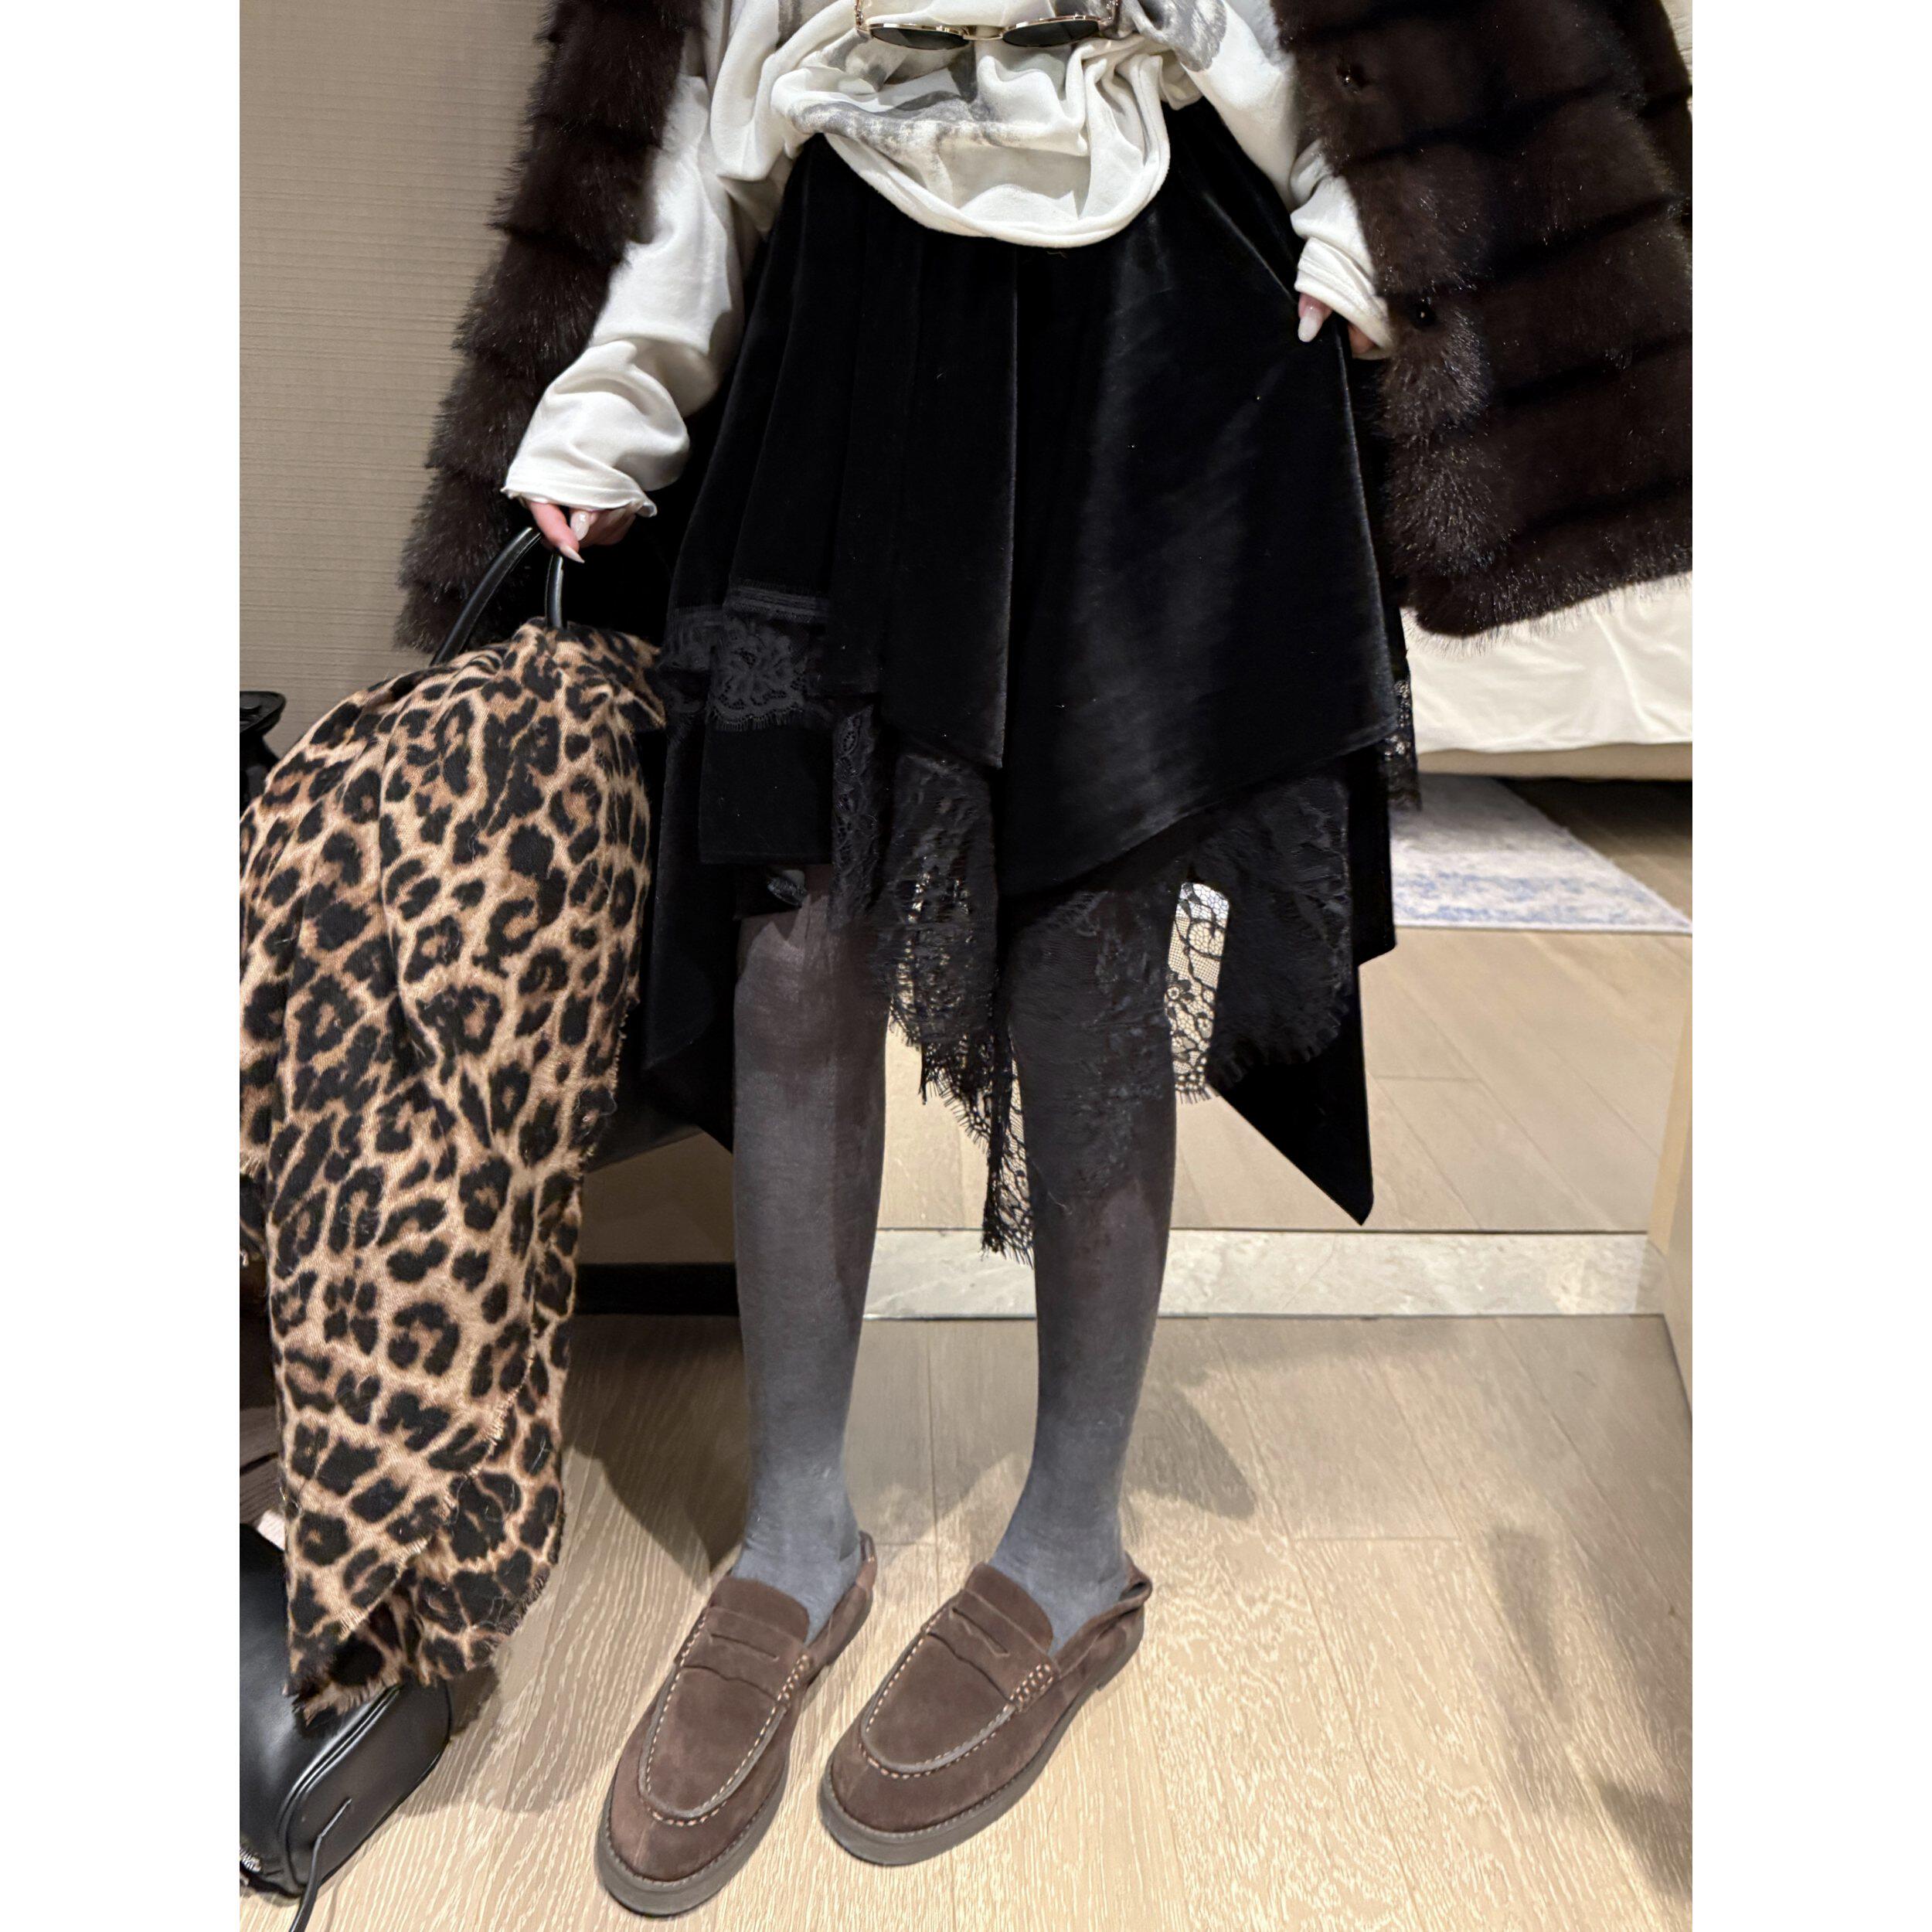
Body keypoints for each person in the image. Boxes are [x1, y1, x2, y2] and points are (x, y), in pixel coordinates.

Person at [397, 0, 1691, 1910]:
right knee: (793, 939)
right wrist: (613, 389)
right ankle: (794, 1533)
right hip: (847, 315)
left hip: (1164, 326)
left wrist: (1362, 229)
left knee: (1093, 955)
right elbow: (695, 61)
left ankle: (1074, 1544)